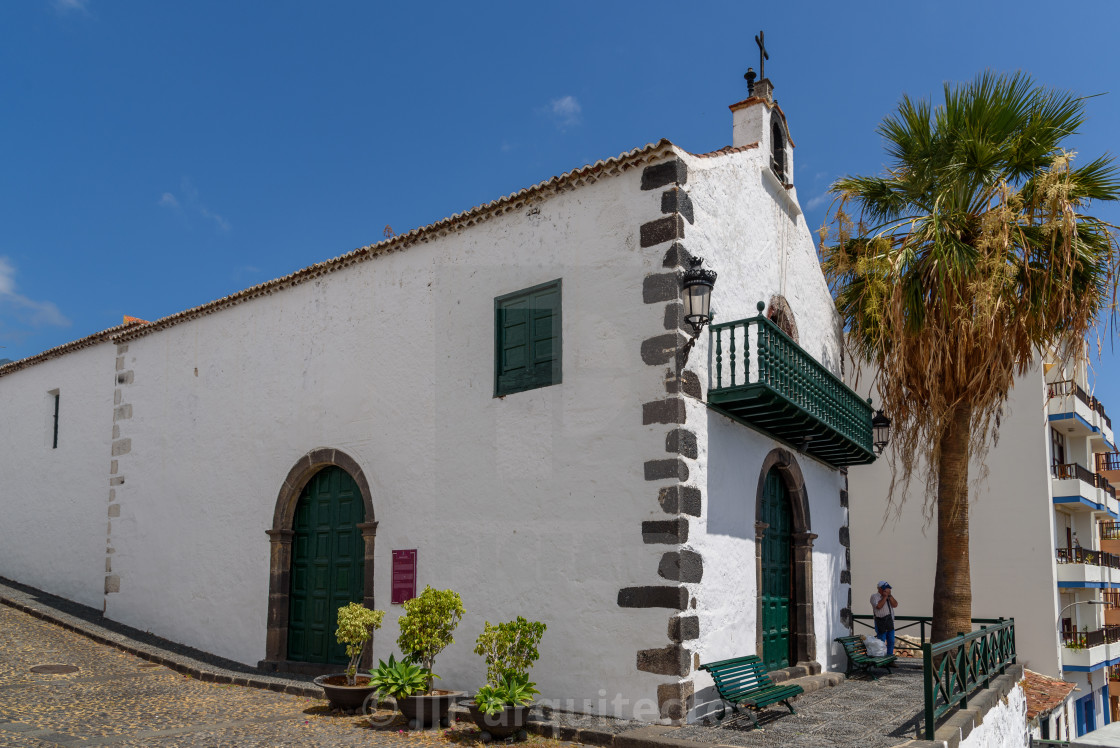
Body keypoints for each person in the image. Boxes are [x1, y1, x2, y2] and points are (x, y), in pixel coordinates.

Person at [871, 581, 898, 656]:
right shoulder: (874, 596)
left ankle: (890, 659)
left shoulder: (889, 597)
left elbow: (895, 605)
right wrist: (885, 597)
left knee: (891, 641)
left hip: (889, 621)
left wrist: (889, 596)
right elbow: (878, 606)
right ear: (881, 589)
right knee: (881, 642)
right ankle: (881, 659)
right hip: (880, 622)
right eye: (887, 589)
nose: (889, 590)